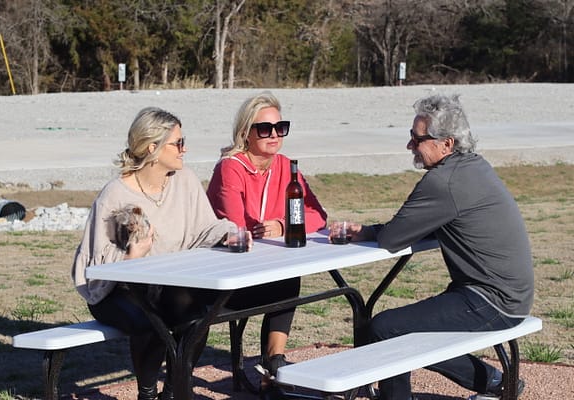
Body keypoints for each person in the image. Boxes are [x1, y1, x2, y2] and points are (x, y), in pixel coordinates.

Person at [338, 94, 534, 400]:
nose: (410, 147)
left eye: (417, 140)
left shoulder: (444, 181)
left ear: (447, 144)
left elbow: (392, 238)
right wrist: (370, 231)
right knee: (408, 330)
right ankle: (494, 381)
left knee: (385, 328)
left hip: (492, 300)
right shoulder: (475, 166)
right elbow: (416, 227)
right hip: (509, 295)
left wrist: (366, 232)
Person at [72, 107, 242, 400]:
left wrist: (230, 233)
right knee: (152, 322)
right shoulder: (115, 193)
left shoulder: (184, 180)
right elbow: (95, 265)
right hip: (116, 291)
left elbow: (204, 228)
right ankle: (147, 394)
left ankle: (175, 389)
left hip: (166, 284)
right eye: (178, 142)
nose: (184, 149)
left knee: (197, 314)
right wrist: (132, 256)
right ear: (153, 147)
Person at [206, 91, 327, 397]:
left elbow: (318, 215)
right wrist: (266, 230)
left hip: (264, 266)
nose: (274, 135)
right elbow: (236, 224)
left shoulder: (286, 165)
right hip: (223, 272)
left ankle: (274, 367)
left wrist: (284, 226)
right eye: (265, 128)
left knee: (288, 279)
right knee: (285, 280)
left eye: (280, 127)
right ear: (246, 132)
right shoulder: (230, 166)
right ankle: (271, 371)